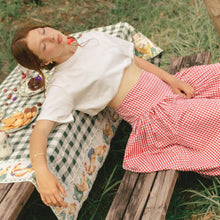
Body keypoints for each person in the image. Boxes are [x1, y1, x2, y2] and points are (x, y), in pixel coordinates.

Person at [11, 25, 220, 208]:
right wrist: (41, 171)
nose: (49, 37)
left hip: (168, 88)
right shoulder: (62, 84)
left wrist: (171, 80)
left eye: (43, 31)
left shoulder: (91, 39)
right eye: (43, 46)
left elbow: (132, 60)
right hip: (161, 117)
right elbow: (40, 130)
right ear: (45, 61)